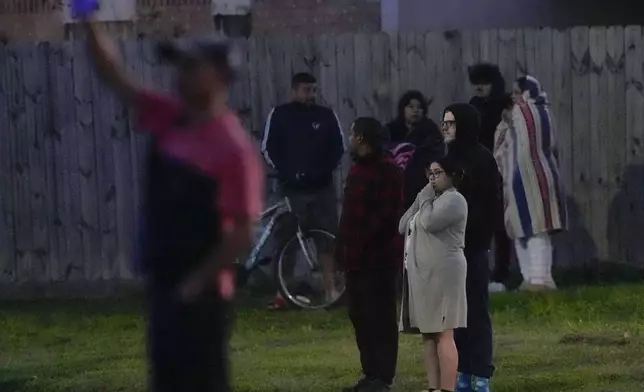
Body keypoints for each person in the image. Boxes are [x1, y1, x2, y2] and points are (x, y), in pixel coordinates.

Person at [82, 16, 264, 392]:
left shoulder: (233, 148)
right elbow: (114, 75)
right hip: (164, 286)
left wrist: (194, 285)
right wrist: (86, 16)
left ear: (218, 75)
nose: (178, 74)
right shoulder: (168, 117)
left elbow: (243, 231)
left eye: (190, 66)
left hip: (203, 297)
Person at [261, 72, 345, 309]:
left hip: (322, 189)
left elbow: (338, 148)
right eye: (306, 90)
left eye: (313, 90)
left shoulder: (326, 116)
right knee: (286, 239)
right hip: (291, 190)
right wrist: (289, 173)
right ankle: (281, 293)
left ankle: (331, 289)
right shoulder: (279, 115)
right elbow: (268, 149)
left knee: (326, 240)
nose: (311, 95)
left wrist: (320, 172)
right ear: (294, 91)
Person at [335, 117, 403, 392]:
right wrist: (343, 248)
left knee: (380, 317)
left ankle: (383, 377)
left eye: (353, 134)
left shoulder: (388, 170)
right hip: (355, 258)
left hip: (379, 259)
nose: (350, 139)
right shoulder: (357, 170)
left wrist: (361, 241)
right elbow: (349, 214)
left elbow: (387, 214)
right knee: (359, 315)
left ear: (362, 138)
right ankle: (370, 372)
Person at [441, 103, 502, 392]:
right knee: (452, 315)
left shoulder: (482, 159)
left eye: (451, 123)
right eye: (444, 123)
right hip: (445, 249)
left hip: (473, 247)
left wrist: (475, 232)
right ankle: (462, 371)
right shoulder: (443, 159)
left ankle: (481, 374)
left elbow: (491, 204)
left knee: (475, 312)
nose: (446, 129)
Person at [399, 155, 468, 392]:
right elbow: (403, 224)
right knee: (428, 334)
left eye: (438, 173)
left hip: (445, 273)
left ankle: (448, 388)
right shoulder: (430, 198)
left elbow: (429, 222)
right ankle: (433, 387)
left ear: (452, 175)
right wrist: (423, 195)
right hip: (424, 275)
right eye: (430, 173)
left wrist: (426, 198)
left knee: (444, 333)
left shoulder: (454, 201)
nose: (432, 177)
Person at [494, 75, 567, 292]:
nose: (515, 97)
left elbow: (536, 139)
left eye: (518, 92)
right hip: (516, 183)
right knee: (520, 229)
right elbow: (503, 147)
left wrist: (513, 118)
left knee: (537, 229)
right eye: (513, 93)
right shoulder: (513, 116)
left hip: (537, 179)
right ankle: (529, 279)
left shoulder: (538, 112)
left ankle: (540, 278)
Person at [467, 63, 512, 293]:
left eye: (483, 82)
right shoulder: (474, 106)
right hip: (479, 171)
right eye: (475, 82)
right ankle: (481, 273)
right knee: (480, 225)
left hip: (502, 169)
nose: (478, 87)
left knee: (502, 226)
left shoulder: (504, 105)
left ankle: (502, 273)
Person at [385, 90, 441, 170]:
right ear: (403, 109)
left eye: (419, 107)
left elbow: (435, 153)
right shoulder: (391, 129)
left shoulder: (430, 129)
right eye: (411, 107)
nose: (415, 110)